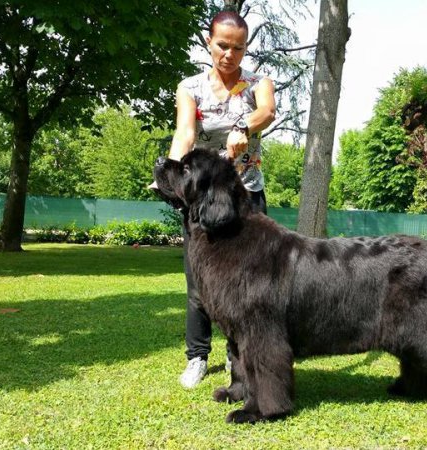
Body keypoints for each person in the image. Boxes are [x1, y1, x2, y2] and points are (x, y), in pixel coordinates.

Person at [167, 10, 276, 388]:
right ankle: (197, 356)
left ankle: (240, 359)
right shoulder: (191, 87)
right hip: (204, 201)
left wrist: (244, 126)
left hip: (247, 198)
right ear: (209, 43)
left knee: (249, 286)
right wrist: (170, 169)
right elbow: (185, 133)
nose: (230, 54)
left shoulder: (258, 82)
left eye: (238, 47)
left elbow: (267, 111)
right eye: (222, 45)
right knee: (201, 284)